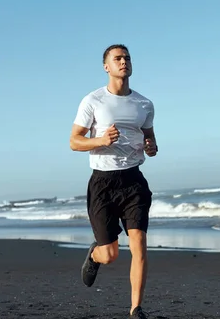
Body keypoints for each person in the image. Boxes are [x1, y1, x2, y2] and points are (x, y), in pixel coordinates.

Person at [69, 44, 157, 319]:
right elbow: (74, 141)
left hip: (134, 181)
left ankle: (136, 309)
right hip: (103, 183)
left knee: (139, 243)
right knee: (110, 255)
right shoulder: (93, 101)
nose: (124, 62)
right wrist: (101, 140)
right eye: (117, 58)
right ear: (106, 66)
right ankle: (95, 256)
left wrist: (151, 147)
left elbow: (149, 137)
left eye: (127, 58)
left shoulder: (144, 104)